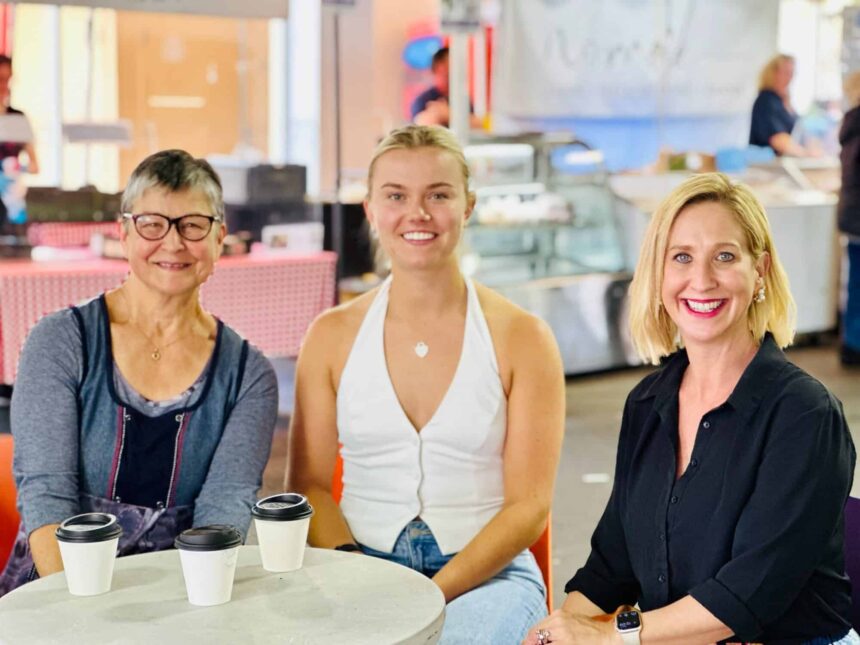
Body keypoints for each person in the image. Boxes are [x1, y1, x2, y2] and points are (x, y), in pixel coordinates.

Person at [525, 173, 857, 644]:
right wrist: (554, 633)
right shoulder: (647, 403)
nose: (701, 280)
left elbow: (744, 599)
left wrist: (610, 637)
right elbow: (612, 564)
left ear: (759, 271)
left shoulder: (805, 416)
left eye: (725, 256)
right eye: (681, 257)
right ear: (659, 273)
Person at [287, 124, 565, 643]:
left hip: (488, 577)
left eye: (438, 195)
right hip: (358, 568)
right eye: (396, 196)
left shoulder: (524, 338)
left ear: (468, 206)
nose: (417, 214)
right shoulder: (330, 336)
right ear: (370, 209)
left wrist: (430, 593)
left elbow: (529, 507)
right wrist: (355, 575)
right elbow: (309, 485)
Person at [0, 149, 278, 596]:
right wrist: (88, 618)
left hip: (185, 593)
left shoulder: (249, 375)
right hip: (56, 592)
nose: (172, 243)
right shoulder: (60, 342)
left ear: (219, 238)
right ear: (124, 233)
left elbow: (225, 509)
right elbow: (47, 494)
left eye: (193, 225)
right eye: (152, 223)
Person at [0, 54, 38, 233]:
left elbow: (34, 166)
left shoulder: (19, 119)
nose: (4, 86)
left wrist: (16, 168)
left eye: (8, 80)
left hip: (13, 196)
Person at [749, 53, 815, 157]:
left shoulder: (784, 101)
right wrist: (806, 154)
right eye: (786, 73)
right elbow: (778, 139)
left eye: (792, 73)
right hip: (769, 164)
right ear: (773, 74)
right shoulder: (766, 101)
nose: (789, 78)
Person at [838, 71, 860, 366]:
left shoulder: (850, 123)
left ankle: (852, 342)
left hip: (852, 214)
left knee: (855, 282)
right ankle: (853, 343)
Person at [411, 46, 482, 129]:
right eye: (449, 64)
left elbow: (478, 125)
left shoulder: (462, 99)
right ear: (438, 67)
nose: (455, 69)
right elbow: (422, 126)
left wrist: (447, 114)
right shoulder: (423, 100)